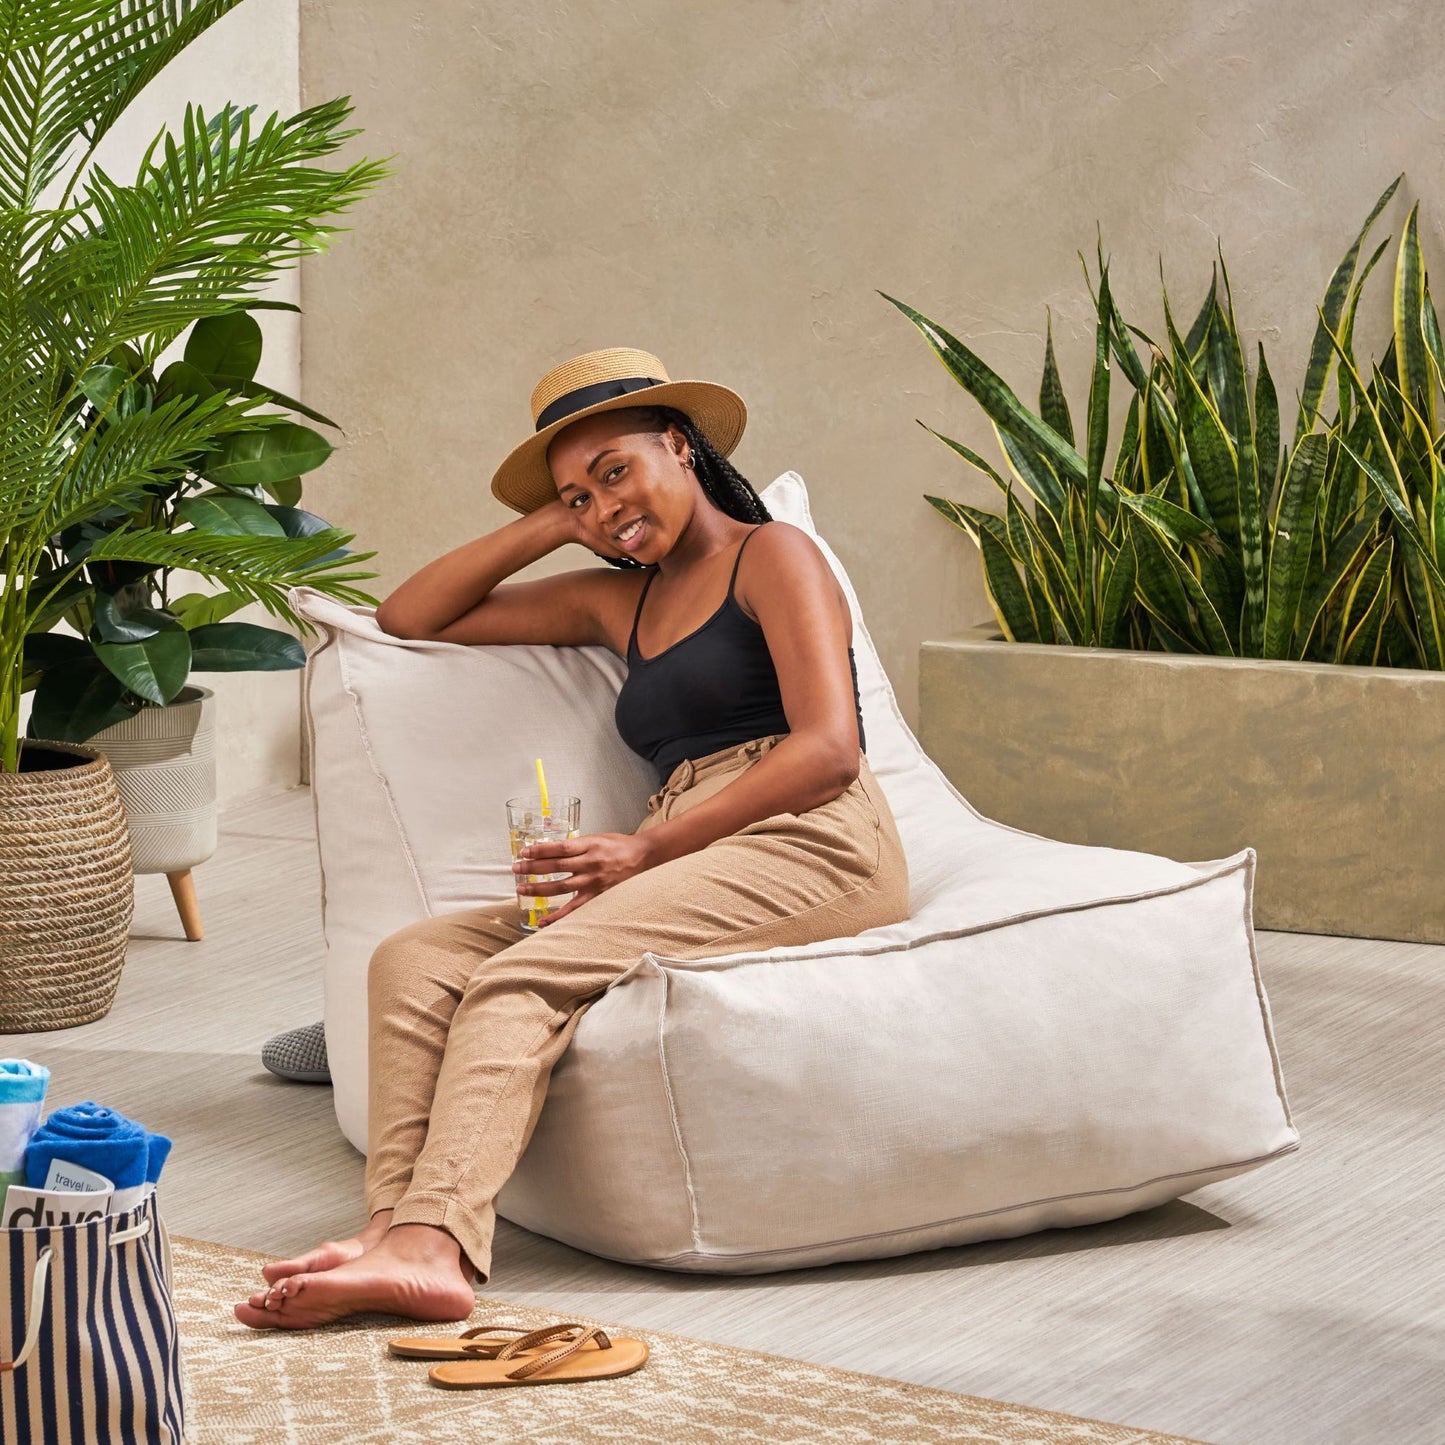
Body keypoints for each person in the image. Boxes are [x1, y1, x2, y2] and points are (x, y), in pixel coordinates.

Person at [234, 347, 910, 1330]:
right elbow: (410, 614)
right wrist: (557, 522)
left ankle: (437, 1243)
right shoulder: (617, 600)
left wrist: (646, 852)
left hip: (809, 837)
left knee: (519, 973)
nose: (603, 508)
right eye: (576, 496)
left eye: (616, 471)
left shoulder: (772, 556)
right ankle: (392, 1232)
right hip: (686, 840)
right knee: (414, 958)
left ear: (679, 445)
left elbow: (829, 749)